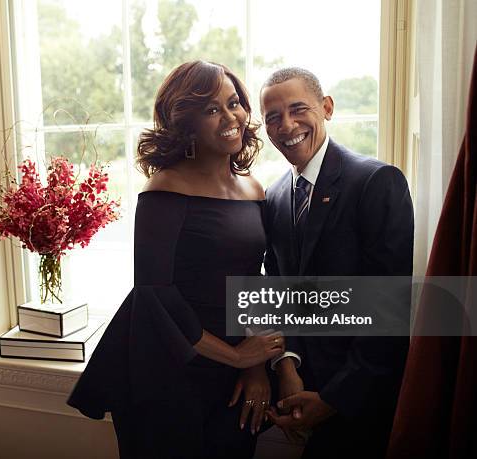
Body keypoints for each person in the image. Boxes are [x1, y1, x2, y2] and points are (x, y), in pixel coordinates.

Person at [68, 60, 285, 459]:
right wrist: (236, 355)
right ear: (185, 123)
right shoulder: (165, 187)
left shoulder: (254, 189)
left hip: (233, 373)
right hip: (168, 367)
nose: (229, 117)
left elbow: (254, 280)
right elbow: (155, 294)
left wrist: (254, 365)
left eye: (233, 102)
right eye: (211, 109)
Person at [259, 67, 414, 458]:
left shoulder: (378, 181)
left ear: (326, 107)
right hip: (293, 393)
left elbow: (390, 311)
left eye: (298, 109)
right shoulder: (274, 197)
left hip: (360, 404)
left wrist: (331, 399)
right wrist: (287, 368)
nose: (287, 125)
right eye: (273, 117)